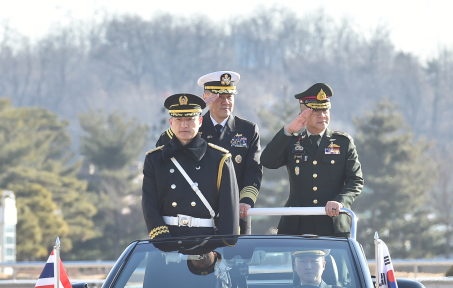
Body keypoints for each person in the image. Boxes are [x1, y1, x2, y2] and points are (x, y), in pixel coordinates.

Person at [156, 71, 263, 234]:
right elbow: (162, 147)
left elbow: (253, 170)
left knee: (237, 257)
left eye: (229, 97)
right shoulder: (192, 126)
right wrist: (194, 112)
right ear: (206, 97)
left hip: (235, 211)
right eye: (220, 97)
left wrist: (246, 201)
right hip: (198, 213)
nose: (225, 102)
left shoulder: (248, 130)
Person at [260, 83, 364, 237]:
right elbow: (267, 161)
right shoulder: (292, 141)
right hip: (297, 224)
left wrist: (340, 201)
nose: (322, 115)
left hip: (333, 223)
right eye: (316, 111)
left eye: (325, 110)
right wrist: (288, 131)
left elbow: (355, 180)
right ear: (304, 114)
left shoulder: (343, 142)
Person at [141, 93, 239, 239]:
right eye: (179, 120)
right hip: (166, 238)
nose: (184, 125)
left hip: (206, 239)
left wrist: (222, 245)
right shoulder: (154, 159)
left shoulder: (220, 159)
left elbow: (228, 207)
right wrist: (162, 239)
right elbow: (149, 204)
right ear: (171, 122)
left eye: (190, 119)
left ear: (200, 121)